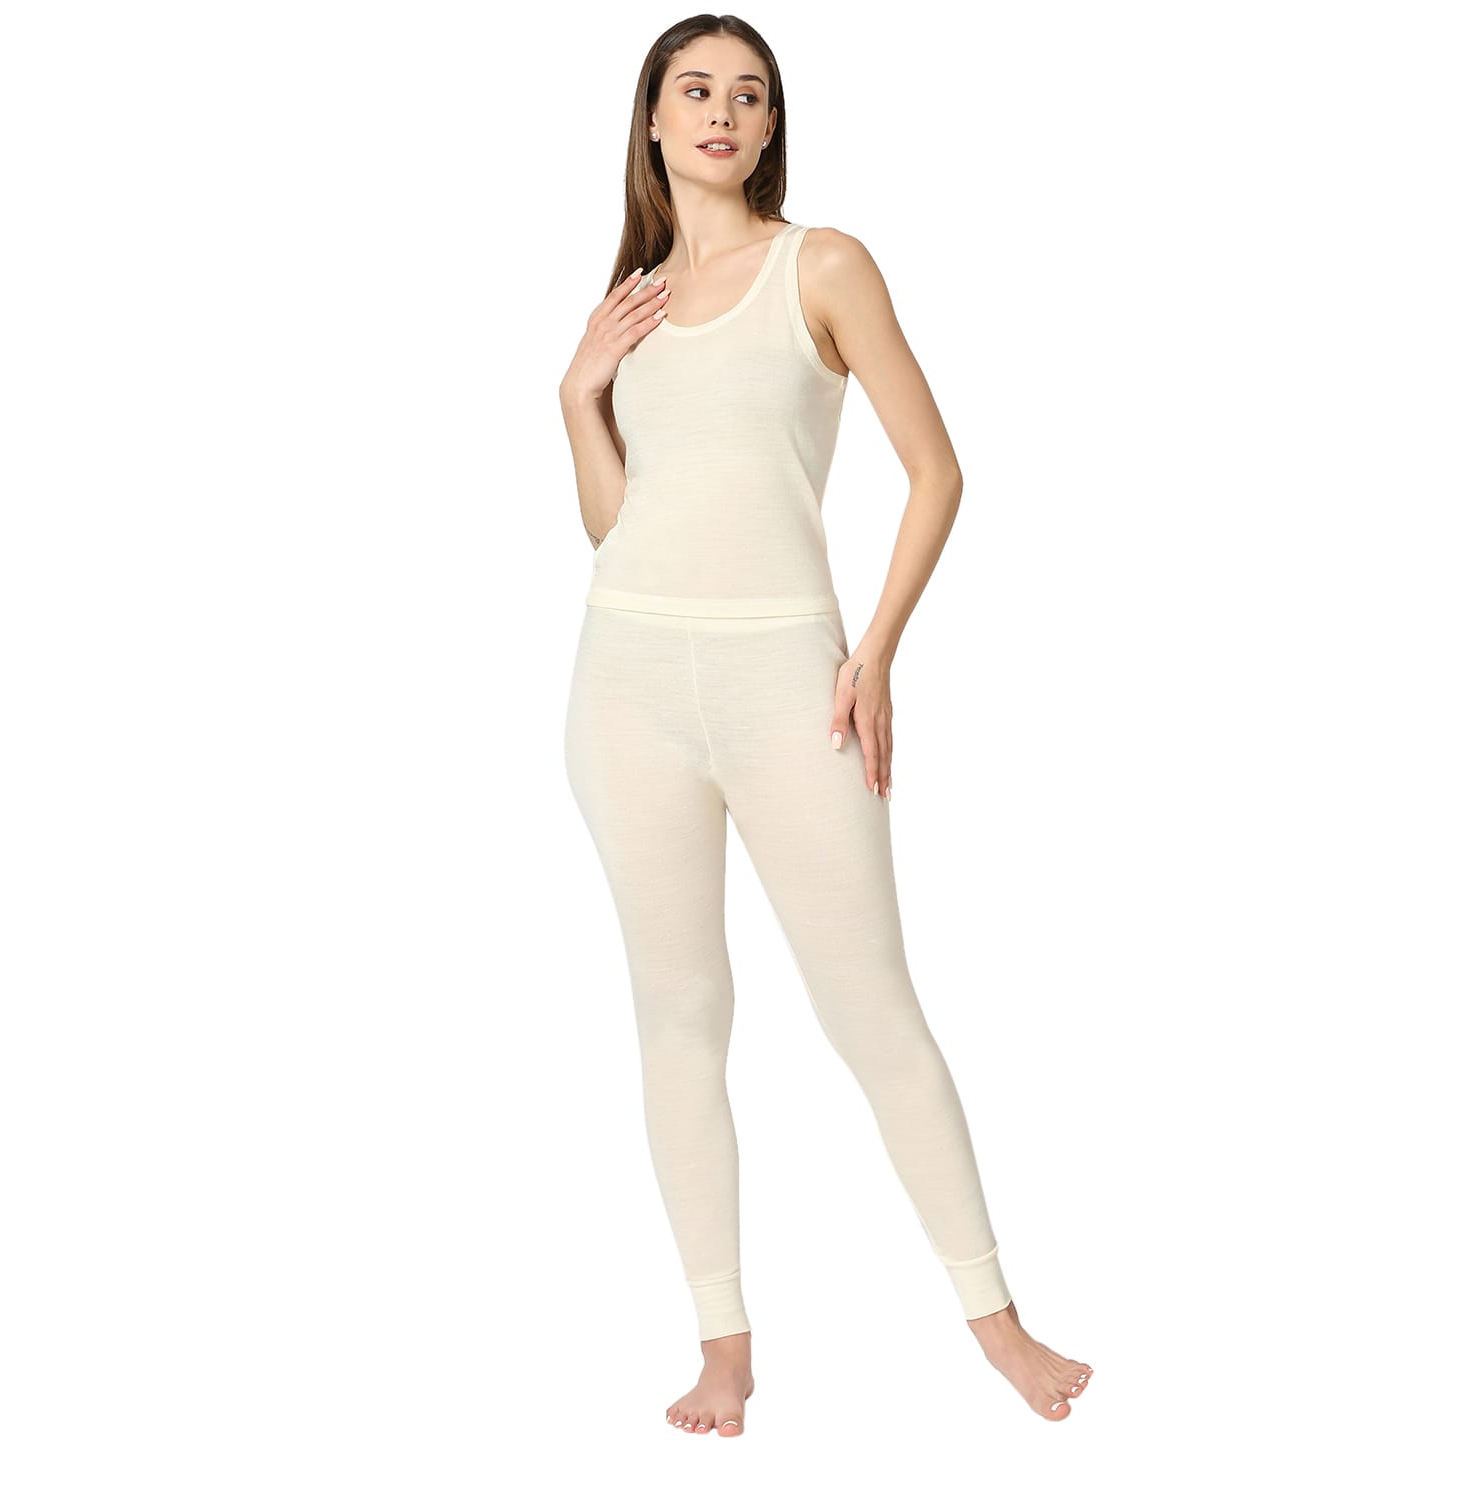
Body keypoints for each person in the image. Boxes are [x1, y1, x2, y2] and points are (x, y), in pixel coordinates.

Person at [559, 18, 1092, 1437]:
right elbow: (617, 525)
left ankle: (999, 1326)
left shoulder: (825, 265)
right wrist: (576, 396)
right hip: (625, 681)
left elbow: (938, 471)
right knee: (680, 1015)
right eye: (696, 91)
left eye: (750, 95)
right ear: (653, 120)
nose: (723, 113)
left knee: (872, 1007)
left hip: (788, 675)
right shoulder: (631, 300)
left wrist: (876, 648)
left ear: (769, 126)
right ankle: (723, 1348)